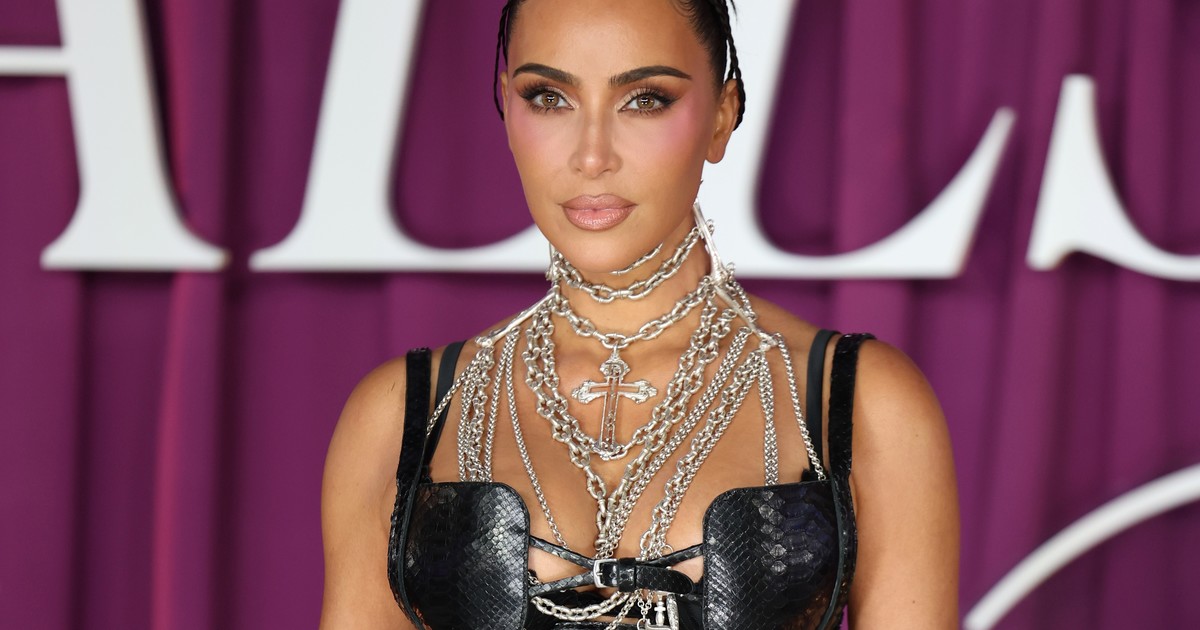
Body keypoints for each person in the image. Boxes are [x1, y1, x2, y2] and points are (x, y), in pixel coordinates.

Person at [319, 0, 959, 628]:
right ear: (507, 108)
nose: (591, 155)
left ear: (722, 115)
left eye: (645, 99)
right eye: (549, 97)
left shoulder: (861, 401)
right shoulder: (399, 414)